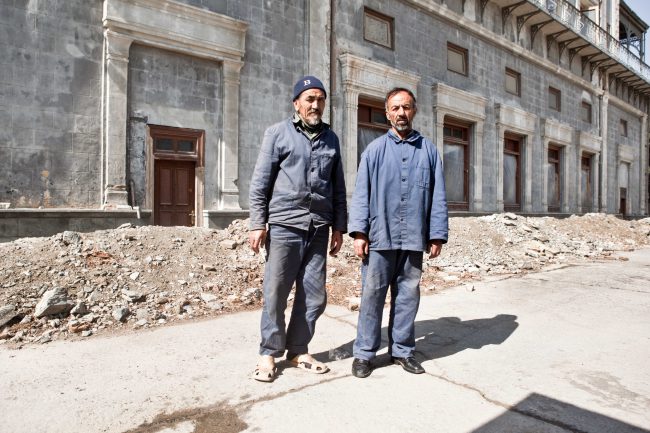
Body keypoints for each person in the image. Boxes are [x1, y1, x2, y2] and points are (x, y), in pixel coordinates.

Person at [248, 76, 347, 382]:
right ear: (296, 103)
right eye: (309, 99)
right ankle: (268, 352)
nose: (315, 105)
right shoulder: (277, 133)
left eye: (320, 99)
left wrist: (339, 227)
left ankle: (298, 350)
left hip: (318, 227)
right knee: (276, 291)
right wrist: (257, 223)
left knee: (314, 295)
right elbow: (260, 182)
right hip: (284, 225)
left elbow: (338, 188)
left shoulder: (331, 139)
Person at [348, 87, 448, 378]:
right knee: (372, 297)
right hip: (380, 237)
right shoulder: (374, 151)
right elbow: (361, 194)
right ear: (387, 113)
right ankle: (364, 354)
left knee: (407, 296)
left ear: (414, 110)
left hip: (414, 237)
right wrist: (360, 233)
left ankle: (402, 351)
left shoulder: (428, 151)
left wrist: (436, 234)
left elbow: (438, 195)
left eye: (406, 107)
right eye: (395, 108)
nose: (401, 113)